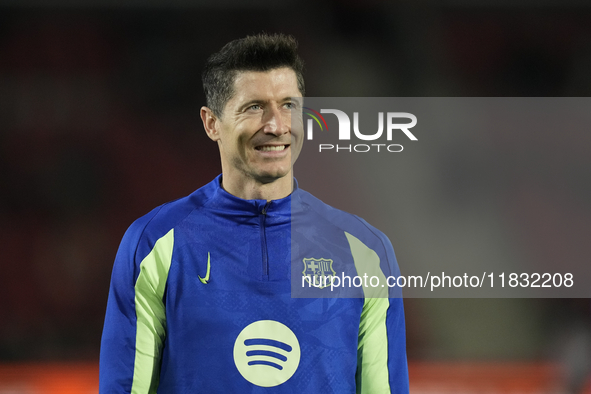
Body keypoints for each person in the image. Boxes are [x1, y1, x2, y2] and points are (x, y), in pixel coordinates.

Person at [99, 33, 409, 393]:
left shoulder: (365, 251)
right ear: (211, 122)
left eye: (289, 105)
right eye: (254, 107)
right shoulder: (155, 243)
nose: (277, 125)